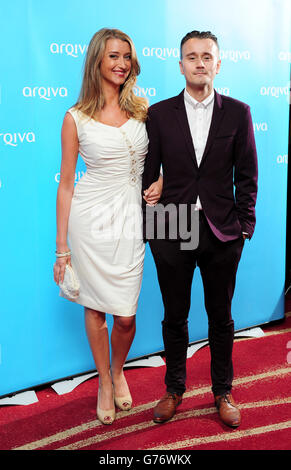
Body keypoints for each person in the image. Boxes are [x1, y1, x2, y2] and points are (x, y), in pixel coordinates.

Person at [142, 30, 258, 428]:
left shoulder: (238, 113)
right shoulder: (157, 115)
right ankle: (174, 389)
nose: (199, 62)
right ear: (180, 66)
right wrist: (151, 218)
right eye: (191, 57)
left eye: (207, 56)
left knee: (220, 317)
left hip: (222, 232)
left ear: (218, 64)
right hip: (170, 228)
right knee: (175, 316)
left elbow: (247, 175)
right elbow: (147, 173)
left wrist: (244, 227)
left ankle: (222, 392)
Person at [53, 28, 162, 425]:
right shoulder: (75, 118)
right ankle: (105, 380)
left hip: (131, 221)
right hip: (91, 221)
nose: (121, 63)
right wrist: (61, 247)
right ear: (98, 60)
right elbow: (66, 184)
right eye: (114, 56)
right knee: (96, 308)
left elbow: (161, 159)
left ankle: (119, 370)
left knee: (127, 316)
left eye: (127, 57)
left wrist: (162, 181)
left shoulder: (142, 108)